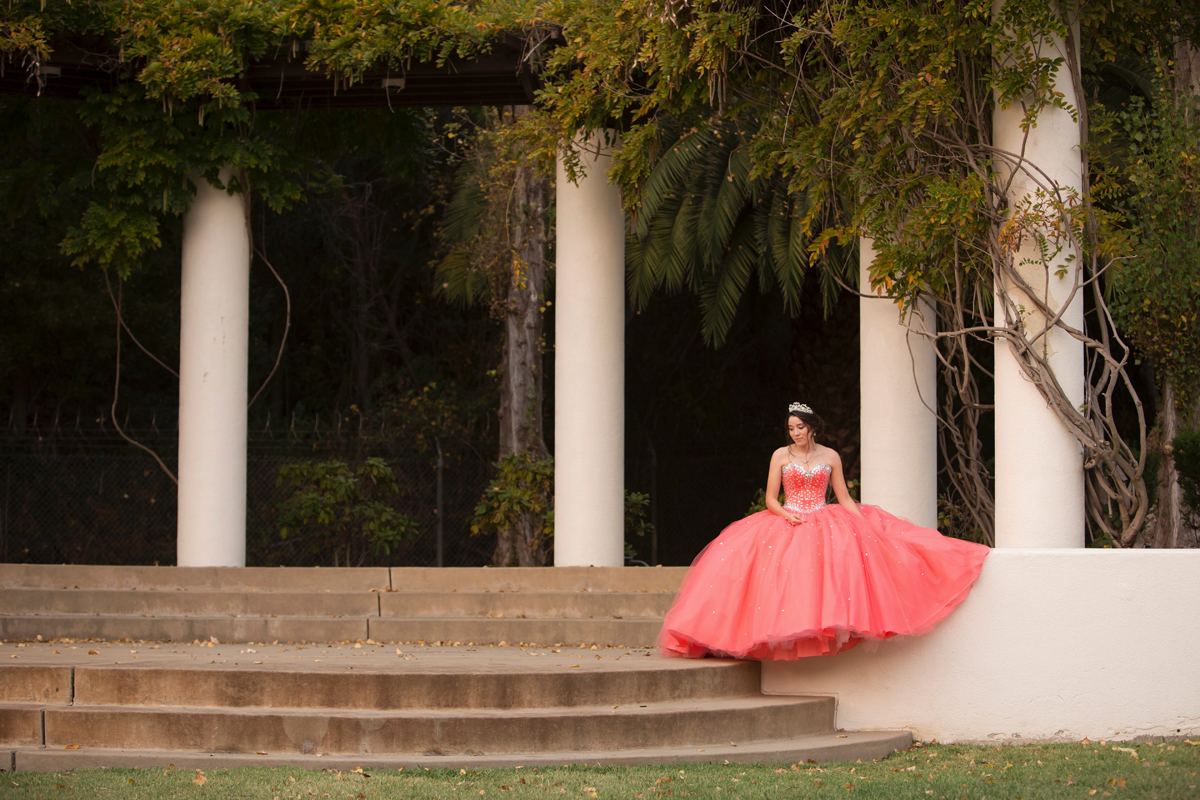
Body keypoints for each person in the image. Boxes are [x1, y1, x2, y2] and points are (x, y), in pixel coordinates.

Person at [657, 402, 989, 660]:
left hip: (822, 516)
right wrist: (787, 514)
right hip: (788, 518)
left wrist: (862, 522)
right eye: (790, 428)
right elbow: (771, 498)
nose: (795, 433)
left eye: (800, 427)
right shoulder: (779, 456)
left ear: (812, 427)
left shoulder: (830, 456)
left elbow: (843, 497)